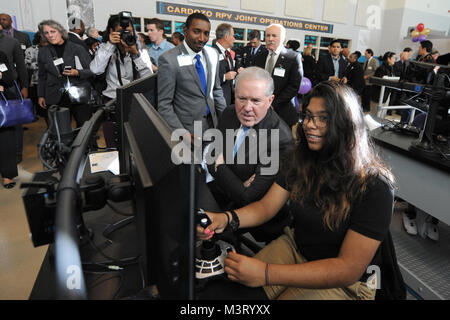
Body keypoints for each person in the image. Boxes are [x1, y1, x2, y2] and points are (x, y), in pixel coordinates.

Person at [197, 81, 396, 300]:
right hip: (296, 248)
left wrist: (265, 273)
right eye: (308, 116)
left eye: (323, 118)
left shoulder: (375, 186)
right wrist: (225, 219)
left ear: (346, 124)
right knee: (230, 295)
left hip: (347, 282)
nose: (310, 124)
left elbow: (347, 269)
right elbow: (265, 208)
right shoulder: (301, 159)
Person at [202, 67, 294, 242]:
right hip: (223, 198)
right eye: (242, 98)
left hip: (259, 223)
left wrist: (220, 165)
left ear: (270, 100)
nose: (247, 108)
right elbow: (210, 154)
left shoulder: (281, 138)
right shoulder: (229, 113)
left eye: (256, 101)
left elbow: (248, 197)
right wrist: (235, 181)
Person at [157, 12, 227, 136]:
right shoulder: (169, 59)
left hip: (213, 126)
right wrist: (182, 133)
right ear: (185, 31)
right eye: (196, 31)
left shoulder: (212, 55)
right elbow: (164, 105)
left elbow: (216, 90)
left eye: (206, 33)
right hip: (188, 131)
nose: (202, 38)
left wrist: (226, 119)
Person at [90, 14, 153, 147]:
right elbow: (95, 70)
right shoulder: (105, 49)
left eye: (128, 32)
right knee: (113, 144)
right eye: (120, 32)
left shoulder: (140, 50)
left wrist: (135, 55)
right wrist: (110, 45)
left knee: (134, 145)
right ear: (112, 32)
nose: (125, 35)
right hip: (111, 103)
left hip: (134, 104)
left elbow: (148, 80)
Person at [37, 20, 94, 128]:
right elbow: (41, 76)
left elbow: (92, 71)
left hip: (78, 94)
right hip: (54, 95)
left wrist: (77, 72)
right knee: (60, 130)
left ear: (60, 31)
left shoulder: (77, 48)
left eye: (52, 31)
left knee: (84, 128)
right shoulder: (43, 52)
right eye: (46, 33)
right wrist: (41, 95)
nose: (50, 35)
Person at [253, 24, 302, 127]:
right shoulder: (258, 57)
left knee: (280, 142)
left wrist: (273, 104)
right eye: (268, 35)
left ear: (283, 38)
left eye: (274, 36)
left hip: (283, 111)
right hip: (261, 110)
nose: (270, 39)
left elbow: (294, 86)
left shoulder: (293, 57)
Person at [0, 21, 29, 164]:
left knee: (14, 120)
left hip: (11, 87)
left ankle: (17, 152)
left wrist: (24, 86)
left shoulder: (12, 42)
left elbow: (21, 67)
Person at [0, 49, 18, 188]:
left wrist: (2, 77)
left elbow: (9, 78)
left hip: (2, 104)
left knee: (6, 140)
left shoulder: (1, 54)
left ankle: (8, 175)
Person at [212, 23, 237, 107]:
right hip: (217, 100)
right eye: (233, 36)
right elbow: (207, 77)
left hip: (228, 98)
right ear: (226, 37)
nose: (234, 39)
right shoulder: (212, 52)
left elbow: (229, 72)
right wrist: (224, 77)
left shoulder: (228, 53)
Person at [25, 31, 47, 121]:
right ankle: (50, 129)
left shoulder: (54, 48)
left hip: (54, 81)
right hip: (38, 81)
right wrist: (42, 65)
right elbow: (27, 64)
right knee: (44, 109)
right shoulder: (30, 50)